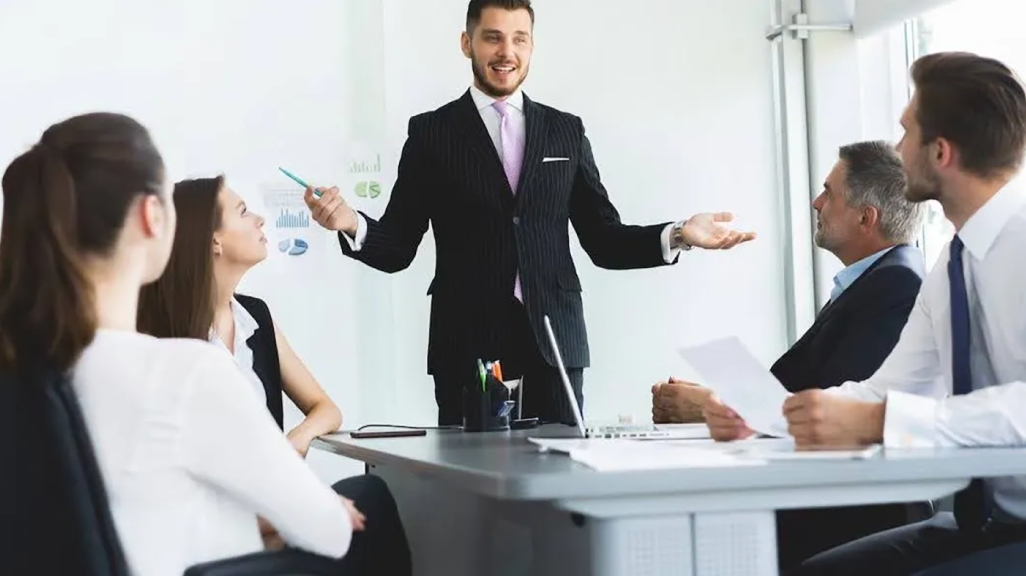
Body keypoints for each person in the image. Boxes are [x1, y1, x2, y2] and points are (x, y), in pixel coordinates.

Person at [304, 0, 756, 426]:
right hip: (466, 346)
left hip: (556, 344)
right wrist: (351, 224)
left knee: (560, 484)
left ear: (532, 45)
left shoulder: (565, 130)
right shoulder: (431, 133)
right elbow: (398, 246)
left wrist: (678, 232)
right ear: (467, 44)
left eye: (520, 39)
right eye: (493, 38)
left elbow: (603, 239)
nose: (507, 52)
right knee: (474, 491)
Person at [707, 52, 1026, 576]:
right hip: (986, 522)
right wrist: (770, 418)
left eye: (906, 133)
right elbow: (888, 392)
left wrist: (878, 420)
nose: (897, 150)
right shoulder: (954, 261)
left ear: (941, 152)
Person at [0, 112, 360, 576]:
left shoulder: (26, 367)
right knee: (373, 508)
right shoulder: (186, 372)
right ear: (152, 216)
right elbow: (328, 530)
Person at [653, 140, 927, 568]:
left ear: (865, 217)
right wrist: (718, 402)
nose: (817, 203)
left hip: (846, 515)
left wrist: (711, 405)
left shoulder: (896, 286)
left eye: (829, 193)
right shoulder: (875, 280)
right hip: (822, 500)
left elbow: (835, 406)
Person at [137, 175, 412, 575]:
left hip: (270, 515)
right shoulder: (164, 342)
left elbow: (326, 409)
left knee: (368, 494)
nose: (261, 220)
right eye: (243, 212)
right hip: (219, 537)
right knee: (363, 509)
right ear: (213, 241)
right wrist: (290, 514)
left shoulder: (255, 318)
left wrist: (294, 442)